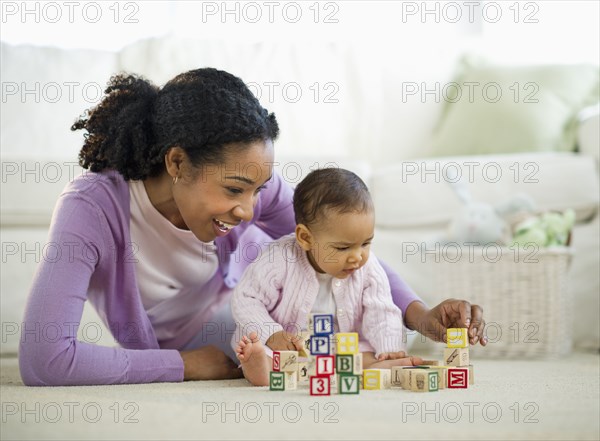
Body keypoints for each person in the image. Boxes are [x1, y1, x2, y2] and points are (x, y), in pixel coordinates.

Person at [18, 68, 486, 387]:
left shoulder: (256, 188)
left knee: (348, 333)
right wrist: (184, 365)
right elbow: (45, 360)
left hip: (274, 316)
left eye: (259, 191)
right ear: (176, 162)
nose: (248, 209)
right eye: (235, 189)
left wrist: (421, 315)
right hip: (212, 338)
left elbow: (342, 247)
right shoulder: (92, 209)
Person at [233, 168, 424, 386]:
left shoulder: (369, 266)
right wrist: (271, 334)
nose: (357, 257)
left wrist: (389, 348)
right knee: (265, 351)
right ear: (305, 238)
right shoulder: (279, 258)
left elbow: (382, 310)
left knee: (366, 352)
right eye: (343, 248)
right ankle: (260, 368)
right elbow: (246, 299)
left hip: (340, 348)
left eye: (365, 243)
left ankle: (377, 365)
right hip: (289, 346)